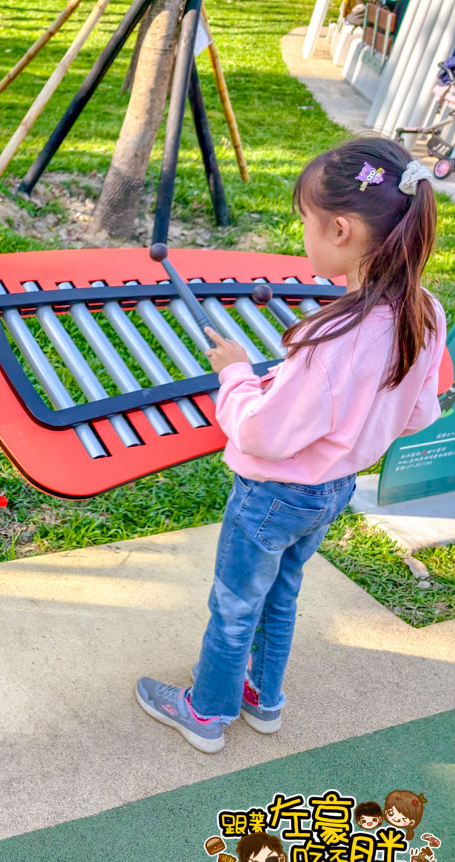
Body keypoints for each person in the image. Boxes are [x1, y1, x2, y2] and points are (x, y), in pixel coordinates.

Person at [136, 136, 448, 753]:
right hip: (330, 494)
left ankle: (207, 711)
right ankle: (263, 696)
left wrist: (236, 374)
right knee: (281, 594)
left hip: (273, 497)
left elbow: (260, 432)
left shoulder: (332, 338)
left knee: (234, 603)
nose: (301, 234)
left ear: (339, 228)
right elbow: (417, 414)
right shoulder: (427, 312)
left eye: (305, 222)